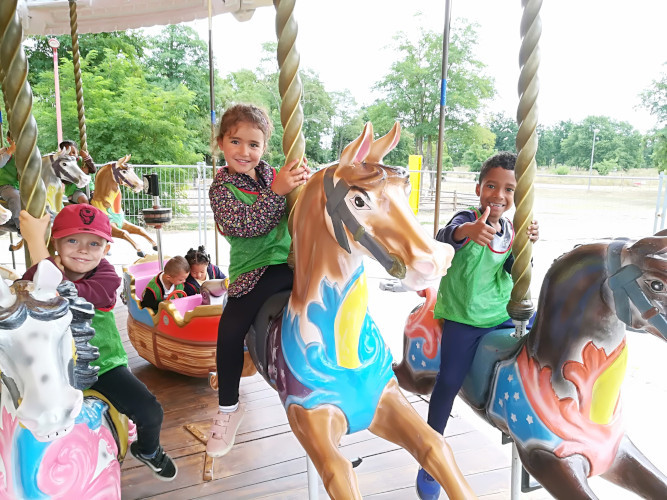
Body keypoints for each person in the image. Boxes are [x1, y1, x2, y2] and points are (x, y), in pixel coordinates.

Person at [19, 204, 177, 481]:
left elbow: (60, 295)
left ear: (105, 249)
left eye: (94, 243)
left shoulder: (106, 277)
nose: (83, 250)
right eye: (72, 240)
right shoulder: (38, 273)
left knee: (150, 411)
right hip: (52, 368)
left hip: (100, 364)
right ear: (56, 243)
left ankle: (149, 450)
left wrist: (35, 242)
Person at [415, 151, 540, 500]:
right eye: (491, 186)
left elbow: (515, 271)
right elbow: (442, 237)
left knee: (544, 347)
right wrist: (468, 231)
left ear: (518, 196)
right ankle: (430, 457)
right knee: (449, 381)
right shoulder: (466, 219)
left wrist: (527, 245)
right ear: (478, 188)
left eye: (509, 190)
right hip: (465, 317)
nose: (498, 195)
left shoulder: (512, 229)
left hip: (501, 310)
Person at [207, 103, 310, 458]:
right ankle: (228, 408)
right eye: (236, 142)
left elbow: (299, 208)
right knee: (229, 331)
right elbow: (245, 226)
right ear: (221, 143)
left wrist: (301, 187)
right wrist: (278, 192)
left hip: (290, 262)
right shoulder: (221, 188)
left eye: (254, 144)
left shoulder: (271, 174)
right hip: (254, 271)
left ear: (264, 148)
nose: (244, 152)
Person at [59, 139, 96, 204]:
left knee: (99, 199)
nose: (71, 155)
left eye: (73, 152)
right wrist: (80, 173)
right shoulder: (63, 164)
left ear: (77, 152)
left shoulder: (82, 160)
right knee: (84, 200)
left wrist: (87, 157)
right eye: (68, 153)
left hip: (88, 188)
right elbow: (65, 180)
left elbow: (93, 170)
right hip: (74, 190)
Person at [0, 132, 20, 231]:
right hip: (3, 185)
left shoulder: (23, 155)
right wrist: (10, 151)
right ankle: (19, 224)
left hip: (18, 185)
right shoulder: (3, 152)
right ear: (9, 140)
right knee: (15, 196)